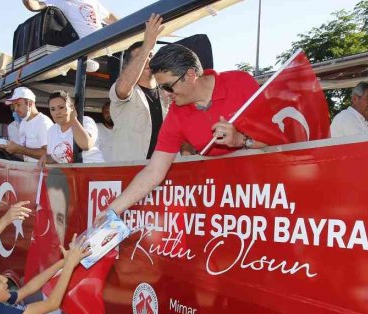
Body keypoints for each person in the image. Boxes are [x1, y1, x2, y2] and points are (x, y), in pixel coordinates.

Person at [104, 17, 265, 219]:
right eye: (162, 88)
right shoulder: (176, 113)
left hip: (267, 198)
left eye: (168, 87)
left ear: (190, 75)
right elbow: (154, 171)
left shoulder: (240, 83)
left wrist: (241, 141)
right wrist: (112, 211)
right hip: (220, 204)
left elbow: (286, 143)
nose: (166, 94)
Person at [108, 14, 169, 161]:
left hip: (162, 170)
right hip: (130, 171)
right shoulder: (122, 89)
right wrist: (147, 45)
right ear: (129, 65)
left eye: (150, 55)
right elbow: (122, 89)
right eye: (142, 57)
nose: (147, 60)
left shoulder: (167, 92)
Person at [45, 90, 105, 164]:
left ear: (71, 107)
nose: (57, 112)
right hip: (71, 174)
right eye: (53, 109)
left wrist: (73, 119)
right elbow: (55, 158)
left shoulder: (86, 121)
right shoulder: (51, 130)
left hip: (93, 171)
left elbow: (86, 145)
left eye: (61, 107)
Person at [1, 87, 54, 163]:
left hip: (43, 173)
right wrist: (8, 148)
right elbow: (25, 155)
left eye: (18, 105)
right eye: (14, 106)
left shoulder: (43, 122)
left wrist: (19, 149)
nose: (15, 109)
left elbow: (49, 155)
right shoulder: (23, 122)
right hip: (30, 170)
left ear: (30, 103)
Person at [21, 0, 117, 39]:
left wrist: (130, 27)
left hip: (104, 43)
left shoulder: (91, 1)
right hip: (86, 49)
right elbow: (34, 6)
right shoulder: (57, 1)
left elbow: (109, 16)